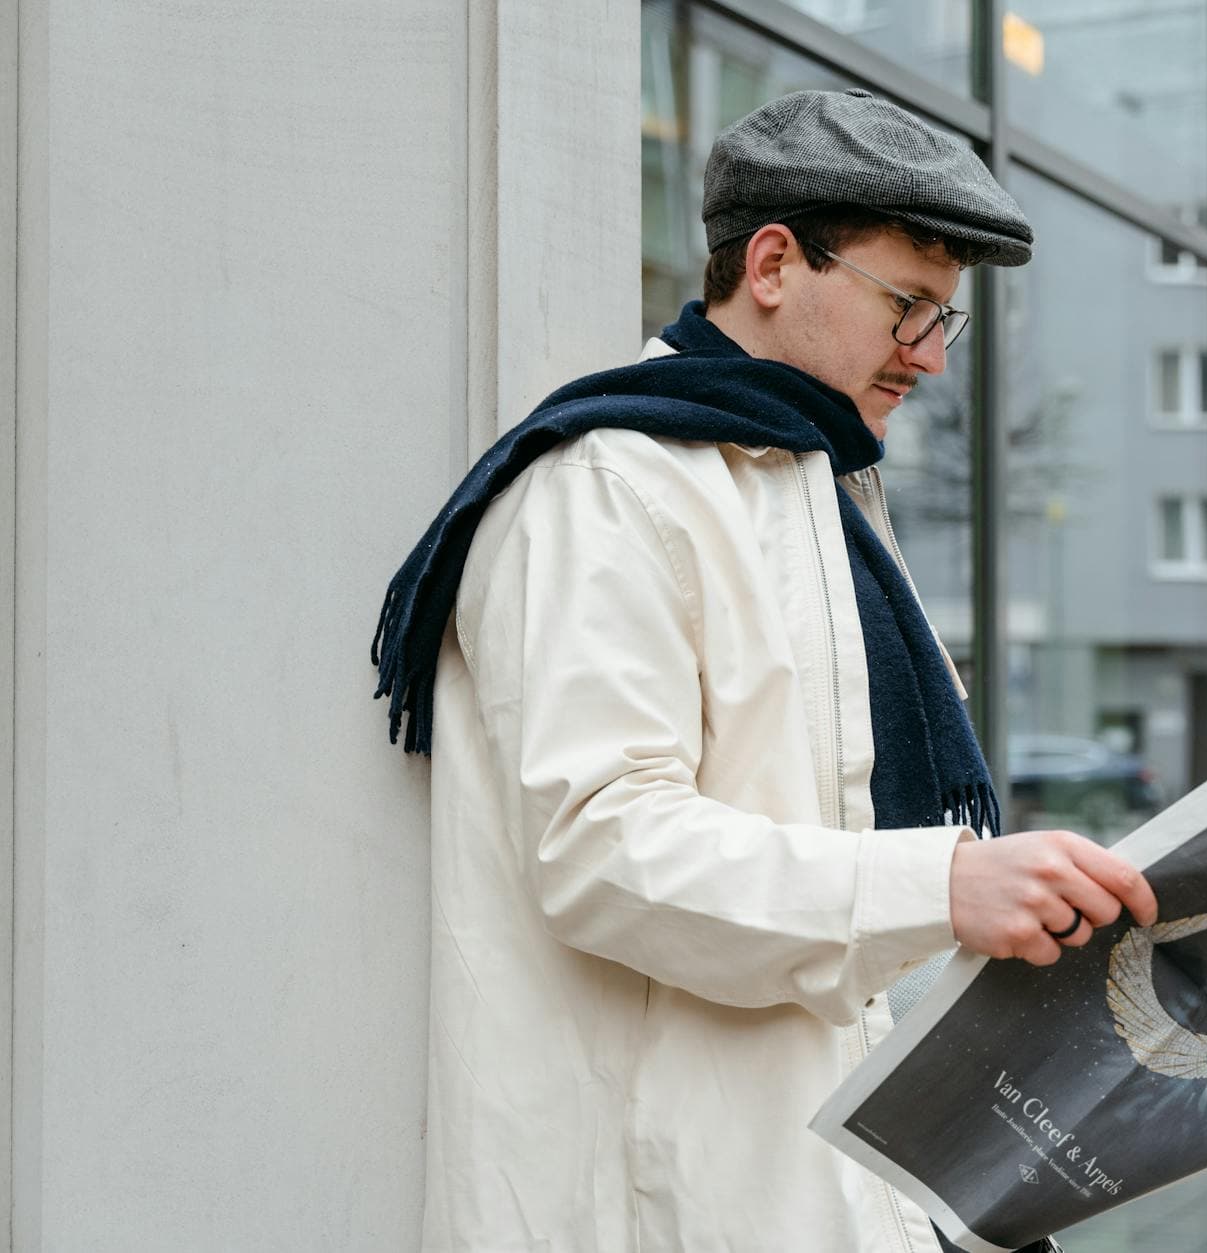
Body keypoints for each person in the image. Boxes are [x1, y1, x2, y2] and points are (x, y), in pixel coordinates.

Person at [372, 88, 1157, 1253]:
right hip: (674, 1201)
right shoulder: (610, 489)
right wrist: (943, 887)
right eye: (908, 307)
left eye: (947, 320)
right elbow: (601, 846)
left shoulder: (819, 488)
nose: (930, 358)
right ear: (777, 262)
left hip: (845, 1180)